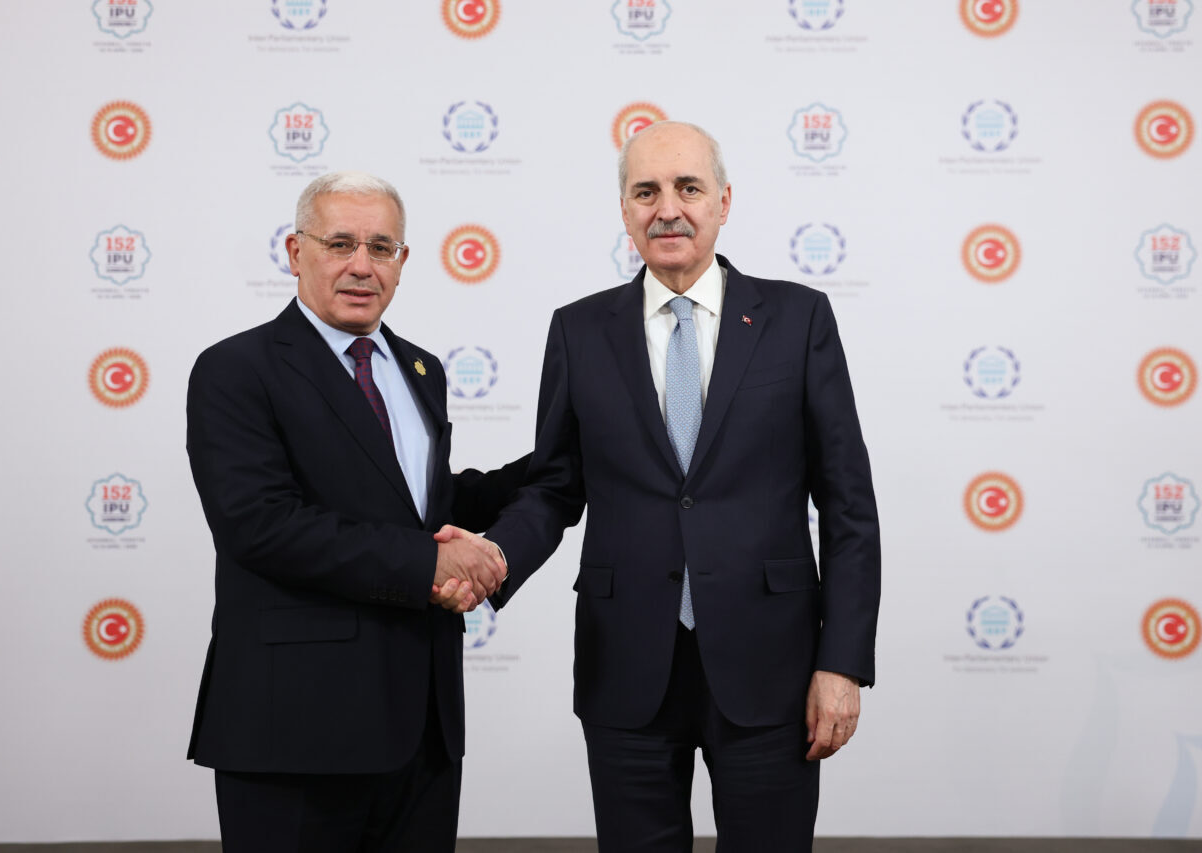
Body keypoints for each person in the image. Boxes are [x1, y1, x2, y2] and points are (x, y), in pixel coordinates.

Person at [459, 121, 882, 850]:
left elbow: (849, 505)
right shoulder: (578, 330)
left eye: (688, 188)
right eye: (646, 191)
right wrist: (495, 556)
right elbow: (555, 486)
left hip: (771, 666)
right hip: (626, 663)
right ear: (625, 210)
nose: (668, 209)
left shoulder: (798, 318)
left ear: (723, 201)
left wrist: (841, 662)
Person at [185, 171, 526, 852]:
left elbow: (418, 505)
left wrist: (558, 461)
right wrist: (431, 562)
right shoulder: (236, 369)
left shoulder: (421, 368)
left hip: (422, 729)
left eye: (381, 247)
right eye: (340, 243)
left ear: (403, 260)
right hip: (294, 731)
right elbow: (261, 525)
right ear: (295, 252)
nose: (362, 265)